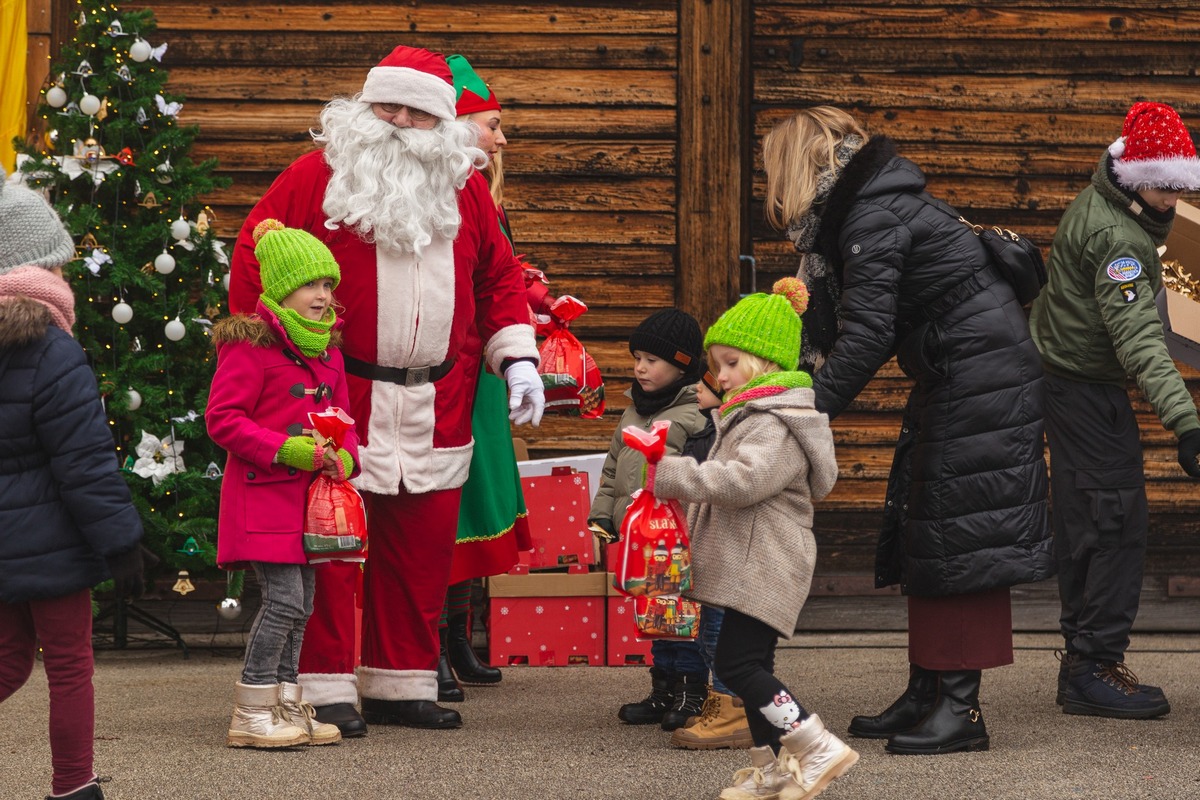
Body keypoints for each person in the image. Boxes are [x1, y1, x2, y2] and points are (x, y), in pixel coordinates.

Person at [228, 44, 543, 734]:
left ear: (442, 122)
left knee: (419, 548)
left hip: (438, 398)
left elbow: (497, 276)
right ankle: (324, 686)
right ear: (364, 106)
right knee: (334, 545)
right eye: (386, 105)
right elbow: (255, 252)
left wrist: (517, 356)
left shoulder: (464, 188)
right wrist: (279, 363)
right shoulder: (315, 177)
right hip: (338, 396)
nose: (397, 121)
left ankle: (401, 683)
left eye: (415, 111)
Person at [761, 106, 1053, 755]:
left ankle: (960, 709)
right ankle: (928, 691)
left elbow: (867, 336)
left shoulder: (871, 214)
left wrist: (802, 416)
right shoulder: (870, 207)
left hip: (980, 373)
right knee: (927, 526)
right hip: (962, 368)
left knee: (961, 533)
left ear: (798, 166)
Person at [653, 280, 857, 800]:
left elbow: (744, 482)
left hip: (766, 564)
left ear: (765, 363)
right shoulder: (751, 416)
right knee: (751, 667)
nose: (719, 376)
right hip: (754, 562)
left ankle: (816, 745)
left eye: (730, 363)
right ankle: (773, 770)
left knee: (736, 665)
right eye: (715, 365)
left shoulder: (776, 423)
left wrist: (672, 474)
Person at [1030, 101, 1200, 720]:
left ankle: (1087, 661)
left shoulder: (1116, 196)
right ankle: (1092, 667)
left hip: (1077, 382)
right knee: (1112, 522)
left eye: (1181, 187)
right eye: (1163, 187)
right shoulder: (1118, 239)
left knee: (1094, 518)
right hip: (1083, 391)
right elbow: (1139, 341)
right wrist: (1186, 423)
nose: (1172, 200)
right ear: (1135, 176)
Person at [0, 174, 144, 800]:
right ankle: (74, 786)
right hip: (54, 543)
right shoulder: (52, 350)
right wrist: (122, 542)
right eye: (58, 261)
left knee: (8, 659)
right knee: (68, 667)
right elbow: (84, 463)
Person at [208, 220, 357, 748]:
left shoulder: (328, 352)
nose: (323, 295)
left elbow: (345, 420)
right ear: (281, 288)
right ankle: (251, 709)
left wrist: (345, 456)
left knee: (303, 605)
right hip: (262, 497)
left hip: (309, 505)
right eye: (311, 284)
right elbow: (222, 419)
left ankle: (286, 702)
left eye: (328, 285)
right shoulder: (250, 345)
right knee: (284, 602)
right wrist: (284, 448)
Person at [435, 54, 555, 701]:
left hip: (484, 373)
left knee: (473, 502)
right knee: (442, 506)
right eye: (493, 124)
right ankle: (428, 642)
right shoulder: (439, 194)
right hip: (446, 370)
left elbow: (494, 276)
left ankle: (458, 636)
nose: (502, 138)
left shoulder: (485, 196)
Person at [587, 308, 710, 728]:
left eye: (652, 360)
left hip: (678, 539)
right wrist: (604, 515)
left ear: (682, 365)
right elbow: (612, 469)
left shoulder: (696, 414)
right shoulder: (633, 412)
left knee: (683, 615)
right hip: (641, 536)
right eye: (637, 357)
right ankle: (663, 691)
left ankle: (693, 692)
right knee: (654, 613)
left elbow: (701, 477)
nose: (640, 367)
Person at [669, 370, 753, 751]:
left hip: (731, 549)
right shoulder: (713, 427)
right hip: (711, 544)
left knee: (720, 633)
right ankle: (723, 703)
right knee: (707, 633)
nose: (697, 390)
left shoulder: (738, 429)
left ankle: (732, 709)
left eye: (705, 385)